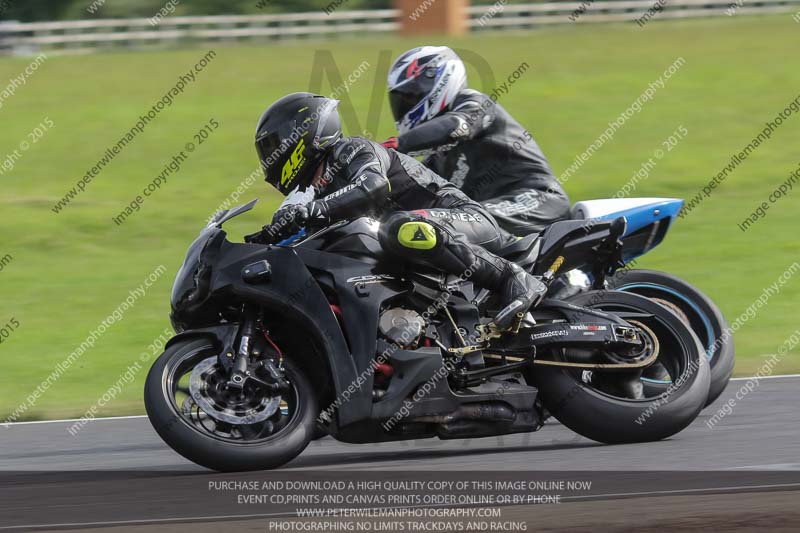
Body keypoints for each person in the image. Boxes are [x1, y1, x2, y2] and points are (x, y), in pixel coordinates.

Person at [248, 92, 546, 330]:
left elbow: (372, 187)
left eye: (275, 145)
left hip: (464, 218)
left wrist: (313, 210)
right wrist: (265, 240)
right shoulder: (317, 192)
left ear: (301, 135)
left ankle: (510, 277)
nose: (270, 158)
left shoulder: (351, 150)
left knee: (399, 227)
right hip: (421, 247)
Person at [383, 46, 570, 236]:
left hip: (537, 198)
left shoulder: (476, 104)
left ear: (440, 82)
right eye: (400, 99)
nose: (404, 105)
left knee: (450, 222)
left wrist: (396, 146)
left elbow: (457, 126)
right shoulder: (438, 157)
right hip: (485, 211)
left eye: (410, 96)